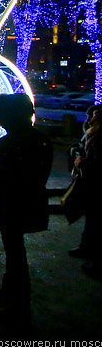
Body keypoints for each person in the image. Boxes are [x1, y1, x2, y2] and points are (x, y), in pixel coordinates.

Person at [0, 93, 51, 324]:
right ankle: (9, 292)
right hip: (31, 201)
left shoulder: (9, 143)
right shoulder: (41, 139)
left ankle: (19, 306)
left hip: (12, 204)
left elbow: (1, 176)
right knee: (15, 252)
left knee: (15, 254)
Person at [67, 104, 102, 262]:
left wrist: (82, 162)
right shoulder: (90, 133)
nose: (90, 118)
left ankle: (91, 252)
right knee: (92, 218)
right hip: (90, 182)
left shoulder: (98, 136)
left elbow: (96, 164)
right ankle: (87, 247)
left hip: (95, 183)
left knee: (95, 219)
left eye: (94, 115)